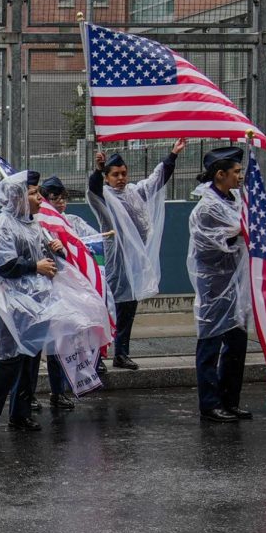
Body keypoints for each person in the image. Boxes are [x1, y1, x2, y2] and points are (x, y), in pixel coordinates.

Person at [0, 171, 67, 435]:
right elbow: (2, 264)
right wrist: (34, 266)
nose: (40, 198)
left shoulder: (35, 225)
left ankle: (20, 414)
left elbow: (51, 261)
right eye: (34, 193)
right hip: (10, 303)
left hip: (35, 303)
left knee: (31, 358)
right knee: (9, 358)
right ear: (17, 197)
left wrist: (58, 251)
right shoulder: (3, 224)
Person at [88, 139, 186, 370]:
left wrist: (172, 155)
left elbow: (156, 179)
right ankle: (96, 357)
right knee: (106, 310)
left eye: (123, 173)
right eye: (115, 174)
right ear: (108, 177)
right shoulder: (105, 197)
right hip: (115, 263)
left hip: (133, 263)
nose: (121, 178)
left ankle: (121, 353)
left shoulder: (134, 192)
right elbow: (93, 188)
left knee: (128, 311)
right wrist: (98, 170)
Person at [187, 147, 252, 424]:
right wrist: (242, 230)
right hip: (214, 286)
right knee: (211, 345)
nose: (241, 176)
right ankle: (210, 404)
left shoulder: (236, 198)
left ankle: (230, 400)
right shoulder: (207, 207)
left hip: (236, 283)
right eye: (236, 172)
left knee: (237, 344)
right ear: (220, 174)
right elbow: (214, 243)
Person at [40, 175, 95, 411]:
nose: (61, 203)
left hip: (71, 291)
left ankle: (62, 388)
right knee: (50, 345)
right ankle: (53, 391)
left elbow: (89, 244)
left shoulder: (71, 222)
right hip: (49, 292)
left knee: (69, 341)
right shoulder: (41, 226)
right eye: (55, 198)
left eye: (64, 198)